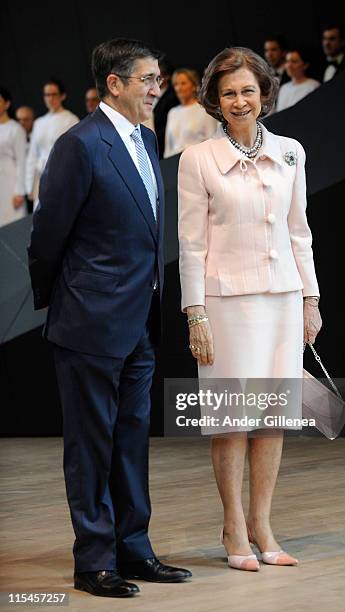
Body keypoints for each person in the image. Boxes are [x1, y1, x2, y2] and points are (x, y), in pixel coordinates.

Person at [27, 38, 191, 598]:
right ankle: (93, 559)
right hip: (89, 322)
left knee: (130, 440)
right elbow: (47, 236)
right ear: (114, 84)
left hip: (141, 320)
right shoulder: (80, 144)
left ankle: (134, 548)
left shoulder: (146, 139)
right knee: (90, 446)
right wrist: (68, 301)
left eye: (157, 79)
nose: (156, 89)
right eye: (146, 79)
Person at [178, 47, 322, 572]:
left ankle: (263, 525)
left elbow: (299, 232)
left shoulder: (291, 152)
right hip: (225, 305)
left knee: (273, 419)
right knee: (231, 420)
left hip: (282, 298)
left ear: (264, 95)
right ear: (215, 101)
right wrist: (195, 313)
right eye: (229, 92)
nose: (240, 101)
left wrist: (310, 298)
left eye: (248, 91)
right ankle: (233, 525)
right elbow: (190, 245)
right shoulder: (198, 160)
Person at [25, 78, 78, 209]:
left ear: (62, 96)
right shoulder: (38, 123)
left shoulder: (71, 120)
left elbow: (75, 154)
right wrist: (29, 185)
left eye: (54, 94)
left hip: (63, 175)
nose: (50, 98)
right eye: (47, 95)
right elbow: (32, 155)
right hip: (42, 177)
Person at [164, 68, 218, 158]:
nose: (179, 88)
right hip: (173, 165)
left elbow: (212, 141)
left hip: (197, 161)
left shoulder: (205, 110)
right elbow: (168, 147)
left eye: (183, 83)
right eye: (176, 84)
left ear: (194, 86)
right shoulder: (172, 112)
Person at [0, 88, 27, 227]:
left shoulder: (16, 129)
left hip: (10, 184)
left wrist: (19, 191)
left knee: (11, 226)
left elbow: (22, 162)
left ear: (7, 104)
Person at [276, 47, 320, 112]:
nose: (289, 65)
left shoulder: (313, 86)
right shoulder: (283, 88)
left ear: (305, 65)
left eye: (294, 62)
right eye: (287, 61)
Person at [153, 57, 179, 158]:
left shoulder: (172, 98)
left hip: (165, 149)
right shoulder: (151, 95)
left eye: (157, 76)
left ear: (166, 77)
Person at [16, 105, 35, 213]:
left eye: (26, 119)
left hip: (34, 187)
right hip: (17, 189)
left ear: (33, 120)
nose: (22, 123)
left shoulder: (37, 139)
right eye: (19, 120)